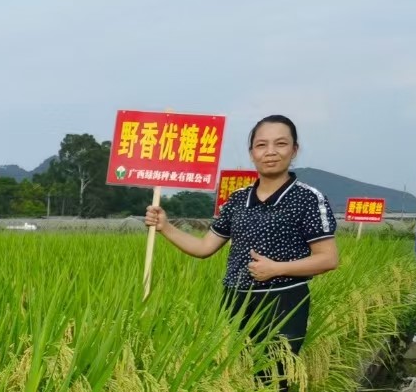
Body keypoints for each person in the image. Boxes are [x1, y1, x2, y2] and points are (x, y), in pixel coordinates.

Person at [144, 115, 339, 360]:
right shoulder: (237, 199)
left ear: (294, 150)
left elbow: (328, 259)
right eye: (261, 145)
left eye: (280, 144)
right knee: (236, 376)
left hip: (282, 302)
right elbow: (205, 247)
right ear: (251, 153)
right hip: (235, 300)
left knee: (273, 382)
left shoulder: (307, 198)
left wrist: (276, 269)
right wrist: (166, 227)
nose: (270, 152)